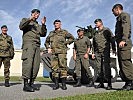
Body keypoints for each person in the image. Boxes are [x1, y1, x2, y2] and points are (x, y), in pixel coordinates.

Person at [19, 9, 47, 92]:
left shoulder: (37, 25)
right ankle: (25, 84)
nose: (36, 15)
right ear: (31, 13)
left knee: (36, 65)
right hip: (29, 45)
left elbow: (43, 34)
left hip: (37, 46)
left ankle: (31, 83)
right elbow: (21, 26)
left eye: (38, 13)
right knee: (28, 63)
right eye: (35, 13)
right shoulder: (26, 20)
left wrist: (43, 25)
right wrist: (30, 18)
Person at [45, 19, 74, 90]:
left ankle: (64, 84)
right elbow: (46, 42)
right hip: (54, 53)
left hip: (62, 53)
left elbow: (72, 38)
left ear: (60, 24)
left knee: (63, 68)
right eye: (55, 23)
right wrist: (48, 48)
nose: (56, 25)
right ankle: (56, 84)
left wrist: (66, 43)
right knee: (54, 69)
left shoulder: (64, 32)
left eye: (57, 23)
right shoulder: (51, 33)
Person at [112, 4, 133, 90]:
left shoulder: (124, 15)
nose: (113, 13)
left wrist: (124, 39)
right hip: (120, 44)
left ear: (117, 9)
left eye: (113, 11)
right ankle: (128, 82)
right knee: (122, 63)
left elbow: (126, 27)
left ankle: (130, 82)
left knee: (125, 62)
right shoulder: (119, 19)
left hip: (124, 43)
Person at [92, 19, 116, 90]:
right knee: (99, 68)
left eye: (97, 23)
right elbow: (94, 44)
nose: (95, 24)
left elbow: (112, 39)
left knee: (106, 68)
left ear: (101, 23)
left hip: (105, 51)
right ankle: (101, 83)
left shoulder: (106, 30)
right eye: (95, 23)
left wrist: (114, 48)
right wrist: (93, 52)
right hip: (98, 52)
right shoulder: (95, 33)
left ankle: (109, 84)